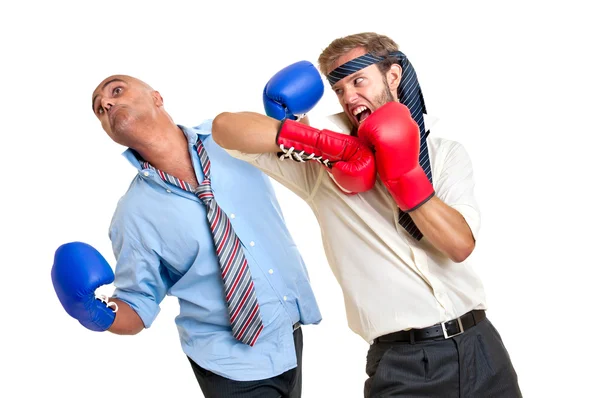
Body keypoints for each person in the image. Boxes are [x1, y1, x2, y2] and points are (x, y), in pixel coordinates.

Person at [211, 32, 522, 397]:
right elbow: (225, 130)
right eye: (339, 89)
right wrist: (322, 144)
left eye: (358, 81)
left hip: (481, 347)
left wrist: (405, 175)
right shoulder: (320, 168)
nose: (348, 97)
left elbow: (459, 246)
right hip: (404, 365)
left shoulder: (444, 154)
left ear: (392, 77)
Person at [50, 74, 322, 398]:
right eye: (99, 109)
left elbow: (292, 148)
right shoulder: (133, 215)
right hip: (227, 362)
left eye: (116, 90)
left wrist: (293, 118)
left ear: (157, 97)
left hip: (289, 334)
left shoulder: (229, 136)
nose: (106, 103)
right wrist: (94, 313)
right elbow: (137, 304)